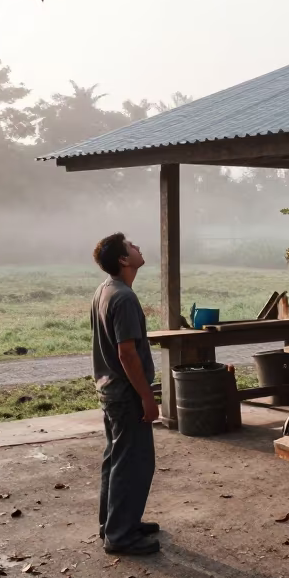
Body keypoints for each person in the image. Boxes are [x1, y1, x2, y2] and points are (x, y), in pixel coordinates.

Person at [91, 233, 161, 555]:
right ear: (123, 259)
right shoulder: (124, 297)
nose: (138, 247)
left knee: (117, 459)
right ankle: (120, 535)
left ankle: (117, 523)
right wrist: (147, 396)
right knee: (134, 463)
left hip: (111, 391)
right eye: (132, 246)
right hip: (126, 393)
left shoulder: (105, 291)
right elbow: (127, 354)